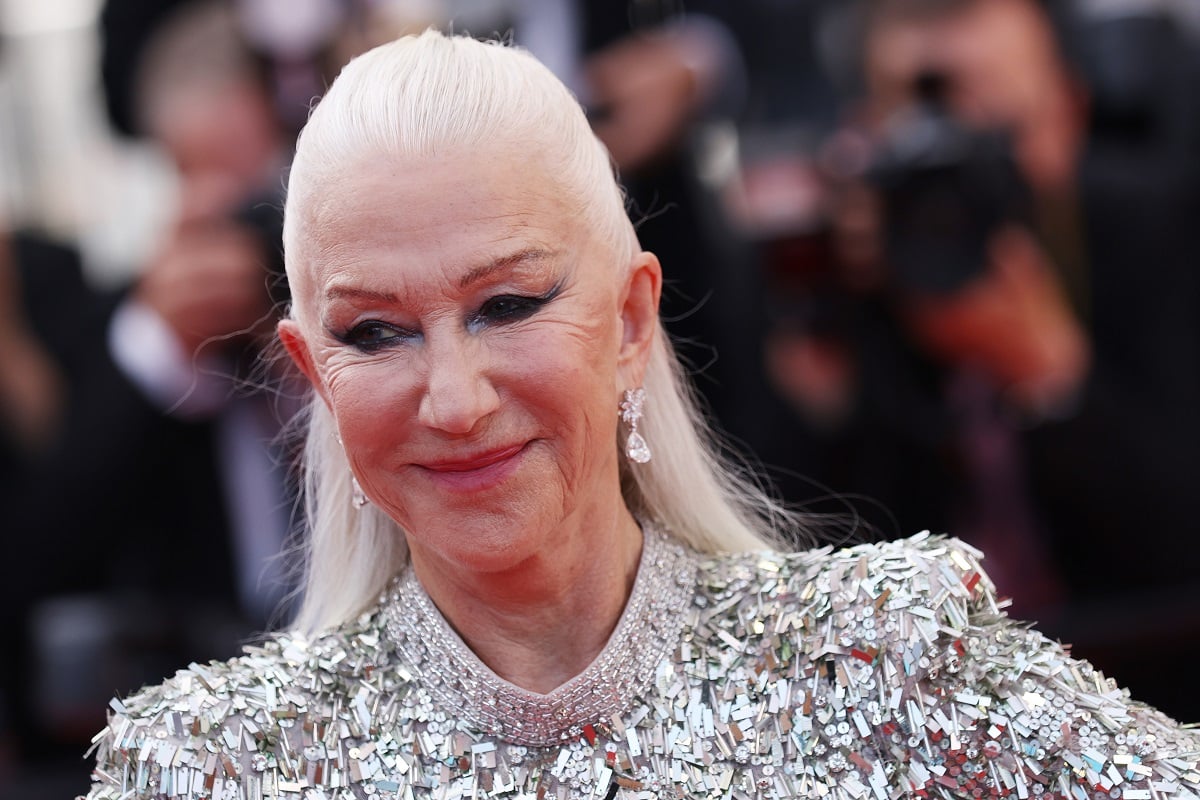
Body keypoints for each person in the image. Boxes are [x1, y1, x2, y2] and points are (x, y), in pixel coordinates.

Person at [78, 30, 1199, 800]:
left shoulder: (892, 652)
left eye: (508, 304)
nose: (455, 399)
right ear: (310, 371)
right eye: (375, 332)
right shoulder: (211, 763)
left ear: (629, 317)